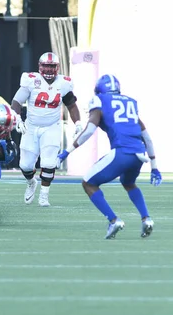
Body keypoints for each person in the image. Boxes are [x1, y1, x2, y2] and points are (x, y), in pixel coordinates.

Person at [57, 74, 161, 239]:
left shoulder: (99, 100)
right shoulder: (130, 102)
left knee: (88, 183)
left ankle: (113, 220)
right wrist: (155, 167)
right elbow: (147, 137)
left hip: (122, 152)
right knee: (128, 182)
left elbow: (89, 130)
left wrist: (66, 152)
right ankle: (146, 218)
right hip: (139, 154)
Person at [11, 52, 82, 207]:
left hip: (51, 127)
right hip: (31, 127)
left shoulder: (63, 83)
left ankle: (44, 195)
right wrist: (17, 118)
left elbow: (71, 105)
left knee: (49, 162)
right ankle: (31, 182)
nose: (49, 70)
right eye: (46, 66)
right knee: (25, 165)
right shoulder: (31, 80)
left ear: (57, 67)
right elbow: (16, 101)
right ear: (40, 66)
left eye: (52, 66)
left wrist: (77, 123)